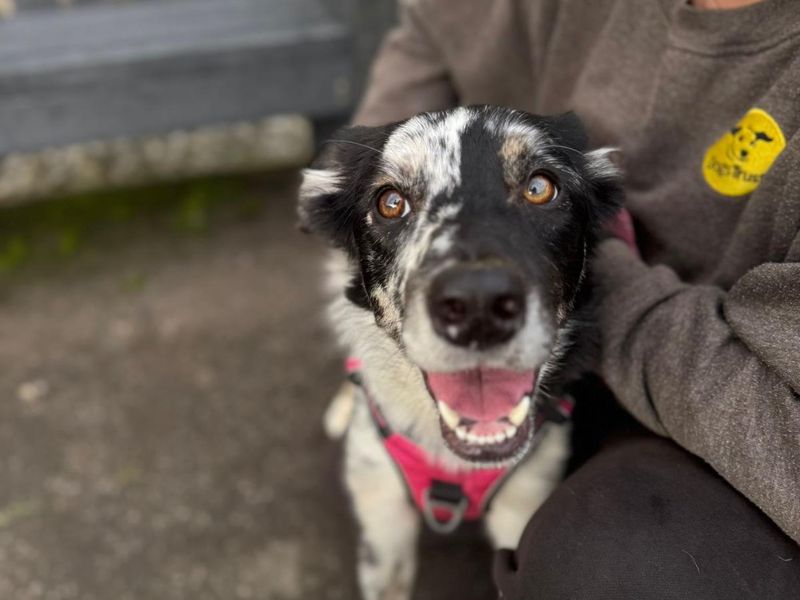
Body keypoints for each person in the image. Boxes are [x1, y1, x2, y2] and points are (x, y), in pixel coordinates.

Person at [352, 0, 800, 597]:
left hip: (735, 433)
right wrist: (394, 192)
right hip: (576, 359)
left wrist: (602, 272)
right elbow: (437, 28)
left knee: (612, 564)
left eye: (537, 187)